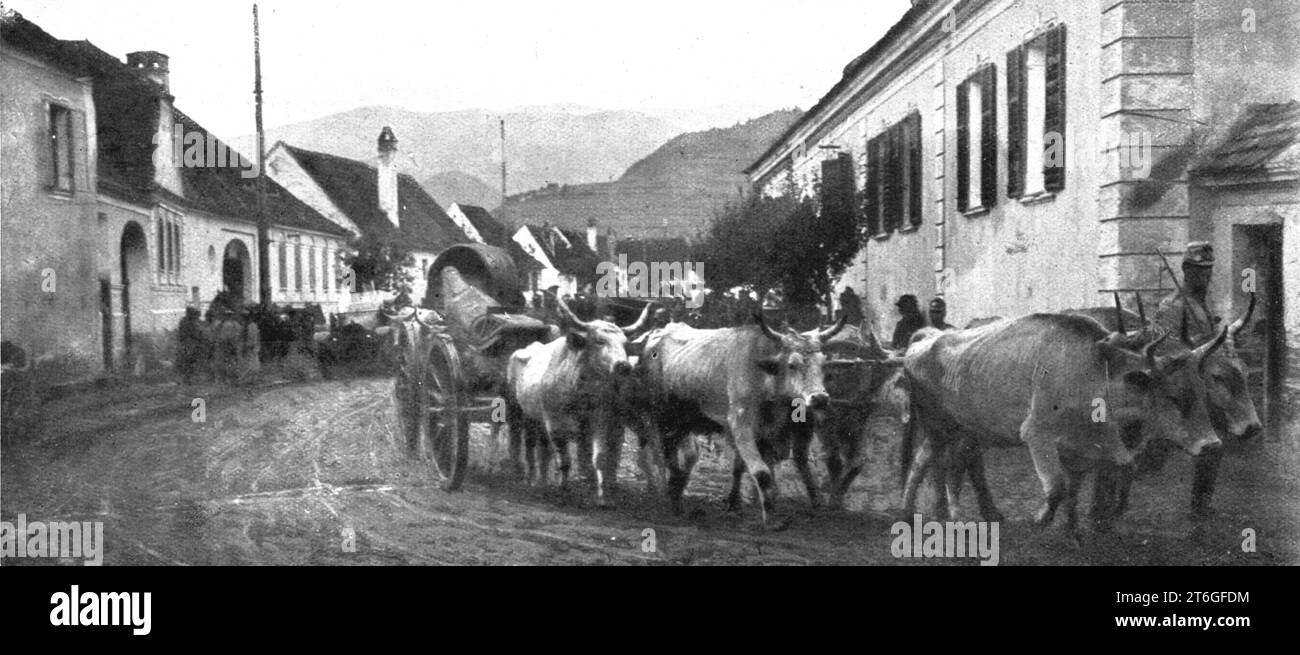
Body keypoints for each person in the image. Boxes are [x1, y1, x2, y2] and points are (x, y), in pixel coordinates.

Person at [1155, 242, 1218, 340]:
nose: (1206, 274)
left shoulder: (1207, 301)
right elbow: (1167, 347)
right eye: (1199, 269)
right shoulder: (1173, 307)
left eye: (1209, 268)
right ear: (1186, 269)